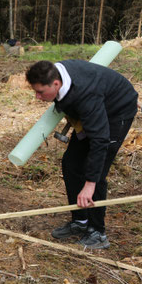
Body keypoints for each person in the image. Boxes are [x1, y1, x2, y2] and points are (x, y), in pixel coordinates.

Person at [26, 60, 139, 249]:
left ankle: (97, 232)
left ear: (56, 84)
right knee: (71, 163)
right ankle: (80, 221)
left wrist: (90, 184)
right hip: (95, 109)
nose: (37, 97)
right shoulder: (53, 71)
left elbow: (100, 140)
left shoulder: (86, 95)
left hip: (116, 110)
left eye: (40, 92)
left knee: (96, 171)